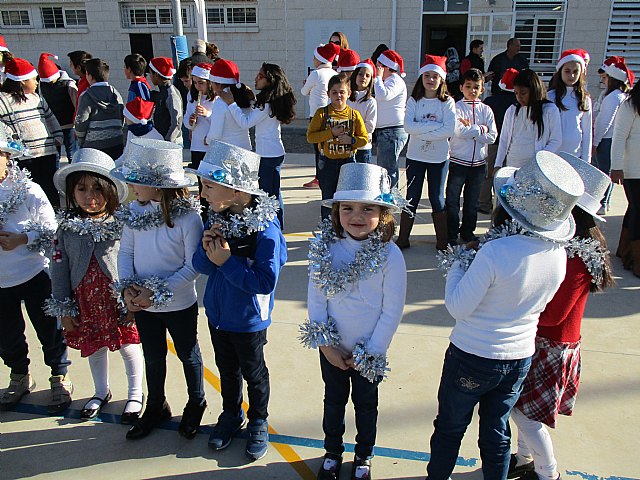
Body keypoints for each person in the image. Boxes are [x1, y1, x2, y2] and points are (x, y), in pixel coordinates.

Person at [426, 151, 585, 480]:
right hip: (519, 358)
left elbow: (458, 307)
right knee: (497, 430)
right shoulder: (557, 255)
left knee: (450, 429)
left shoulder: (495, 251)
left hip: (472, 355)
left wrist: (458, 263)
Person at [509, 152, 614, 480]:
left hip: (551, 345)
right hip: (546, 342)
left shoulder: (577, 258)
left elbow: (554, 315)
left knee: (524, 413)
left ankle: (547, 472)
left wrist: (516, 314)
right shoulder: (572, 247)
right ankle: (525, 457)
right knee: (525, 409)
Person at [300, 162, 406, 480]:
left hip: (368, 354)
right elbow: (317, 300)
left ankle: (364, 455)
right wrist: (326, 346)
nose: (356, 216)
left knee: (366, 405)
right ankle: (333, 452)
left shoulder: (391, 256)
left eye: (367, 209)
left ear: (383, 214)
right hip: (332, 348)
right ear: (337, 212)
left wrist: (370, 350)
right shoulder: (326, 249)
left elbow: (392, 311)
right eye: (347, 208)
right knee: (333, 403)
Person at [189, 140, 287, 460]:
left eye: (209, 186)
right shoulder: (217, 216)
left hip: (247, 318)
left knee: (253, 371)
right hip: (218, 314)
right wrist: (207, 250)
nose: (202, 194)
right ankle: (231, 414)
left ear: (237, 191)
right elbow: (201, 266)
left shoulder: (265, 230)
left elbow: (264, 281)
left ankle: (258, 419)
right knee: (226, 369)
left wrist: (227, 262)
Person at [111, 138, 206, 440]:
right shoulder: (133, 214)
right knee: (153, 357)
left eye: (137, 181)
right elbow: (125, 254)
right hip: (143, 306)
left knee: (188, 355)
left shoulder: (188, 219)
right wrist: (128, 289)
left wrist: (159, 291)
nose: (132, 186)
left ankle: (196, 402)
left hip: (178, 304)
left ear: (157, 184)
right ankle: (156, 405)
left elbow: (194, 266)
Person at [47, 148, 144, 423]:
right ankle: (101, 392)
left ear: (112, 191)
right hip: (86, 301)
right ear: (71, 192)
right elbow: (59, 268)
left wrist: (133, 299)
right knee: (95, 346)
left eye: (98, 189)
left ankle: (136, 394)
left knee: (129, 346)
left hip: (119, 299)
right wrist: (64, 308)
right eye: (82, 189)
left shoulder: (123, 224)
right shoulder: (66, 228)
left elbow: (135, 261)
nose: (90, 197)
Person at [0, 123, 72, 415]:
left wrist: (22, 238)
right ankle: (18, 375)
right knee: (6, 334)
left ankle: (59, 375)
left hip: (33, 273)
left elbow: (50, 229)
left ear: (7, 156)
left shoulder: (27, 189)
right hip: (1, 282)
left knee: (49, 328)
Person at [219, 63, 296, 228]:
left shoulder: (266, 104)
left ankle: (273, 226)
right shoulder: (269, 101)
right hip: (272, 153)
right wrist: (253, 99)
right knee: (274, 193)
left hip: (268, 156)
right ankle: (276, 225)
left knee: (268, 195)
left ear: (270, 81)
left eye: (260, 76)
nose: (256, 78)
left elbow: (245, 122)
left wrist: (231, 103)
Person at [396, 55, 455, 251]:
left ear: (442, 80)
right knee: (411, 196)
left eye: (435, 76)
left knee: (437, 198)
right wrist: (433, 126)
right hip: (415, 156)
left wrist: (422, 128)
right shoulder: (414, 100)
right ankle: (403, 239)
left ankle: (442, 241)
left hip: (438, 158)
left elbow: (449, 130)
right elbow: (408, 126)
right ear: (421, 77)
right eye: (427, 75)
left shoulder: (447, 102)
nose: (430, 80)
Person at [0, 58, 63, 207]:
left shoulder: (37, 98)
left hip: (46, 152)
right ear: (22, 81)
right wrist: (11, 138)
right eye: (34, 80)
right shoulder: (3, 101)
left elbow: (50, 117)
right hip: (24, 156)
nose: (36, 83)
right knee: (29, 189)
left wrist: (58, 135)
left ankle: (54, 217)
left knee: (49, 188)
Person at [445, 68, 497, 245]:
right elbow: (458, 131)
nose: (472, 90)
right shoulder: (456, 107)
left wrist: (473, 131)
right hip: (458, 161)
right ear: (461, 87)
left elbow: (492, 136)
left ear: (482, 89)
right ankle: (451, 234)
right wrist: (481, 128)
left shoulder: (486, 110)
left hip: (479, 164)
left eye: (476, 87)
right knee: (452, 200)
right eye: (468, 86)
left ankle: (468, 232)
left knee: (472, 202)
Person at [307, 73, 368, 220]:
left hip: (347, 163)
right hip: (327, 163)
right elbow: (311, 137)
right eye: (334, 92)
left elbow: (364, 139)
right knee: (328, 201)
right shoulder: (322, 114)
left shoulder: (354, 115)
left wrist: (351, 140)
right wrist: (331, 133)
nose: (338, 96)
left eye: (342, 92)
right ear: (328, 94)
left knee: (346, 201)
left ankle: (344, 231)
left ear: (349, 93)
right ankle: (328, 233)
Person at [495, 69, 561, 170]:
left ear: (534, 90)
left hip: (536, 167)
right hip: (512, 165)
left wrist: (539, 160)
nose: (519, 97)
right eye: (516, 93)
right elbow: (504, 139)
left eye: (523, 93)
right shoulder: (512, 110)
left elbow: (556, 140)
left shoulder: (550, 110)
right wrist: (498, 164)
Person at [593, 57, 632, 214]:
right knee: (606, 171)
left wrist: (595, 142)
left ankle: (603, 202)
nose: (603, 81)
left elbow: (604, 122)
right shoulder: (615, 95)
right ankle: (604, 201)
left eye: (605, 78)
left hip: (607, 139)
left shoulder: (613, 97)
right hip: (610, 138)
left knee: (604, 173)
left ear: (613, 78)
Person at [301, 42, 341, 189]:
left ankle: (319, 177)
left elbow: (304, 91)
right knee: (330, 146)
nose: (313, 60)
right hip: (332, 113)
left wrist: (308, 85)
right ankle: (330, 176)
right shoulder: (335, 74)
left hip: (317, 115)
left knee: (318, 148)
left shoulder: (316, 73)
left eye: (315, 57)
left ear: (320, 59)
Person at [611, 79, 640, 278]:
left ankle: (625, 251)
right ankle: (637, 260)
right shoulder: (629, 105)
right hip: (632, 170)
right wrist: (616, 167)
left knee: (634, 210)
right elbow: (619, 136)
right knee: (639, 210)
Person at [478, 68, 517, 214]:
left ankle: (484, 203)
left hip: (493, 143)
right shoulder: (517, 103)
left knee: (488, 175)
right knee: (508, 177)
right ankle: (503, 206)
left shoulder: (490, 101)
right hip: (511, 145)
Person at [74, 58, 125, 160]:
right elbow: (122, 115)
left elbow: (81, 121)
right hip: (116, 141)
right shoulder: (115, 93)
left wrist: (81, 138)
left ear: (90, 76)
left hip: (94, 145)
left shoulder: (86, 96)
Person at [548, 50, 593, 163]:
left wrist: (586, 160)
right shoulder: (550, 96)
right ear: (560, 71)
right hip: (552, 155)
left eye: (575, 71)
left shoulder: (585, 99)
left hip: (574, 155)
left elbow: (587, 131)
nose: (571, 75)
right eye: (567, 71)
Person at [374, 49, 408, 188]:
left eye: (378, 65)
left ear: (384, 67)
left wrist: (378, 78)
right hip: (386, 131)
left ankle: (391, 197)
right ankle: (387, 196)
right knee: (385, 167)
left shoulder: (394, 80)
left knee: (388, 169)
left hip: (392, 131)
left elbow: (383, 95)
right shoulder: (386, 81)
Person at [37, 53, 78, 163]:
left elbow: (76, 104)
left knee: (72, 153)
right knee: (55, 154)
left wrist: (77, 125)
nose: (49, 83)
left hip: (69, 125)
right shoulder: (42, 85)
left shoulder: (68, 84)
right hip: (53, 126)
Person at [205, 58, 253, 150]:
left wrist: (207, 140)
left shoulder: (220, 102)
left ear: (218, 84)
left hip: (228, 152)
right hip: (246, 150)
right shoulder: (245, 96)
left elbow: (215, 134)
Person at [347, 59, 377, 164]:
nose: (363, 77)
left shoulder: (371, 102)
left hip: (363, 147)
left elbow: (370, 126)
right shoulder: (347, 98)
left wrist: (351, 127)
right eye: (360, 74)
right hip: (346, 146)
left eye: (367, 75)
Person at [148, 57, 183, 145]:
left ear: (156, 75)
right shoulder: (162, 92)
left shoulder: (171, 94)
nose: (150, 76)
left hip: (172, 143)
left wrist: (167, 142)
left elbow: (177, 123)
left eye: (150, 74)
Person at [174, 57, 194, 149]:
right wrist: (190, 127)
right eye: (183, 82)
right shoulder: (189, 93)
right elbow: (187, 114)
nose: (185, 84)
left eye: (187, 81)